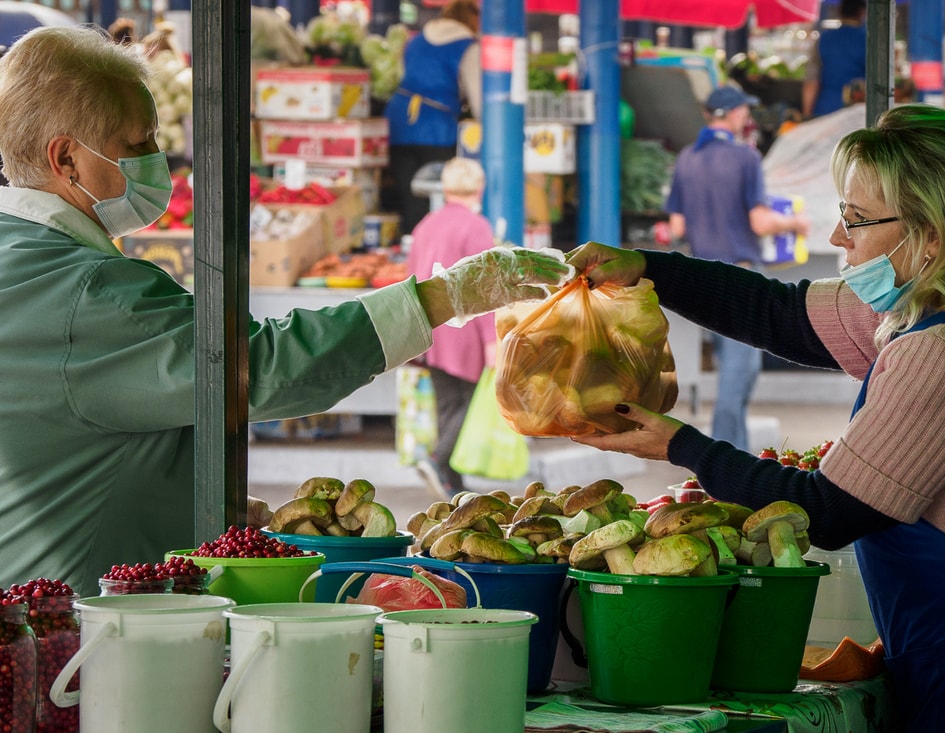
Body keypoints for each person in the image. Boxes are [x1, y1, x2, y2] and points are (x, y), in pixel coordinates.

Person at [568, 104, 945, 731]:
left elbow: (827, 510)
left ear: (931, 235)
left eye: (855, 219)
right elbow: (777, 313)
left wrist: (683, 447)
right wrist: (649, 268)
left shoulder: (943, 349)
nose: (837, 238)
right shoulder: (944, 303)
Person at [0, 26, 571, 598]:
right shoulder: (89, 291)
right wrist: (446, 296)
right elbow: (261, 365)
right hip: (71, 635)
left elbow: (73, 444)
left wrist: (188, 497)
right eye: (140, 143)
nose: (158, 160)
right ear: (66, 157)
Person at [665, 84, 809, 449]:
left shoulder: (687, 158)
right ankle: (725, 456)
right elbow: (760, 222)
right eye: (744, 110)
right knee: (738, 371)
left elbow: (677, 227)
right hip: (740, 277)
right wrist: (794, 223)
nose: (747, 117)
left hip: (702, 277)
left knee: (739, 368)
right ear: (731, 113)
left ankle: (737, 456)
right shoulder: (745, 157)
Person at [405, 157, 497, 499]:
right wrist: (492, 339)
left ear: (444, 189)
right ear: (479, 188)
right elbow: (484, 287)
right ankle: (436, 460)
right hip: (465, 331)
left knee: (448, 406)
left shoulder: (426, 224)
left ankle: (452, 484)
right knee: (469, 406)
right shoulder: (476, 226)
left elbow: (411, 276)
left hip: (433, 329)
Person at [384, 0, 481, 237]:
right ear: (471, 20)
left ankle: (411, 249)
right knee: (440, 193)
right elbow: (477, 95)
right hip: (436, 127)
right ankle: (437, 251)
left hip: (400, 120)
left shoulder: (416, 41)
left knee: (410, 196)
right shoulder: (468, 46)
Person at [801, 0, 867, 119]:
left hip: (825, 111)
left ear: (839, 12)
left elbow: (811, 82)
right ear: (861, 13)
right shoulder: (868, 41)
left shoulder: (824, 39)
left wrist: (806, 116)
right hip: (857, 114)